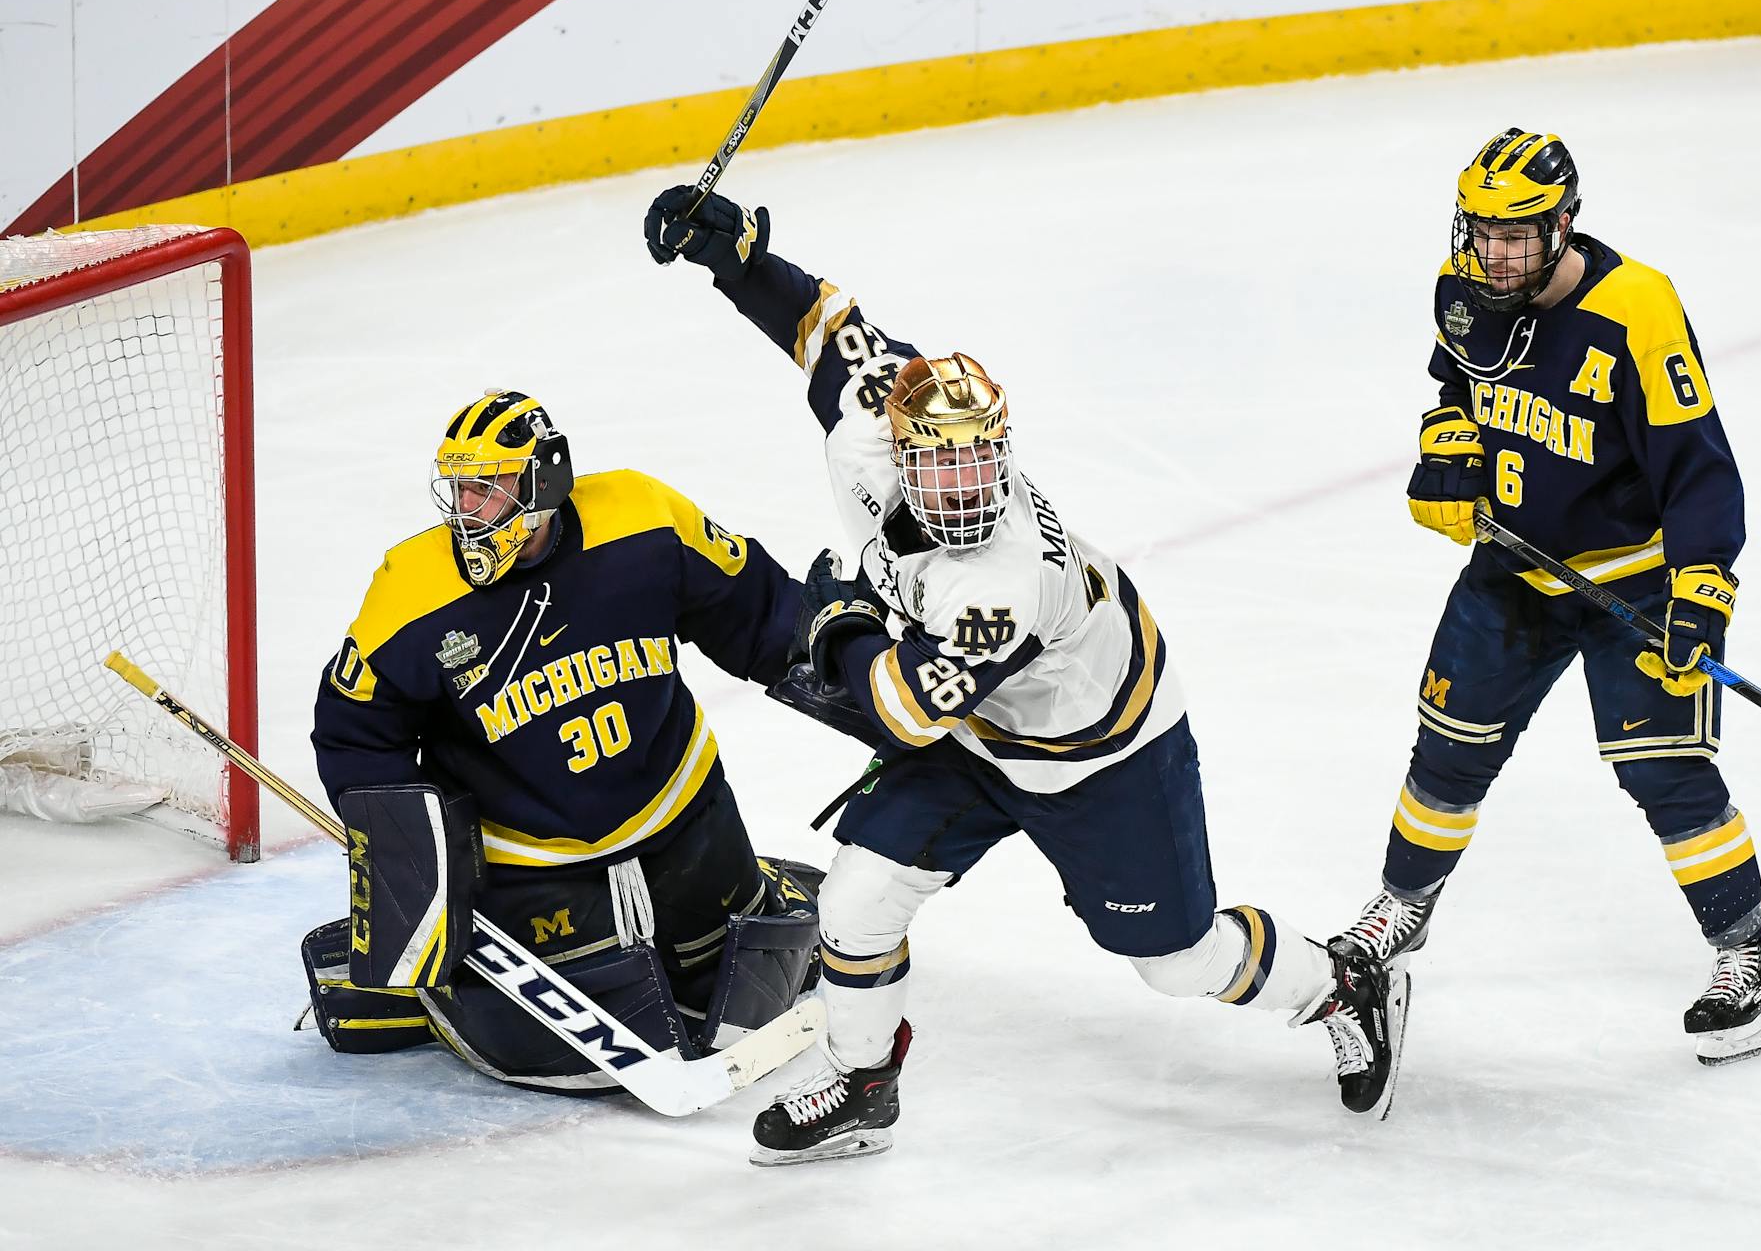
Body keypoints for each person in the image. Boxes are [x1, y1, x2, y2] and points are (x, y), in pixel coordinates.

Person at [645, 185, 1410, 1165]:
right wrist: (737, 259)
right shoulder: (867, 432)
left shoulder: (1005, 583)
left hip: (1105, 751)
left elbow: (900, 708)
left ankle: (1342, 983)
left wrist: (837, 622)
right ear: (902, 446)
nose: (968, 488)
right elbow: (826, 328)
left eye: (982, 464)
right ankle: (866, 1085)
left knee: (1176, 964)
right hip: (979, 737)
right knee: (855, 902)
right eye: (945, 466)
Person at [1329, 127, 1761, 1066]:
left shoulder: (1637, 307)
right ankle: (1404, 910)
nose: (1494, 253)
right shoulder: (1460, 291)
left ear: (1564, 224)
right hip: (1513, 573)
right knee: (1447, 755)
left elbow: (1698, 464)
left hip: (1634, 580)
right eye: (1481, 231)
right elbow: (1454, 391)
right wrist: (1447, 463)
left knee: (1663, 769)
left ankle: (1751, 957)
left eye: (1519, 234)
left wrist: (1701, 593)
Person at [301, 390, 825, 1093]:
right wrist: (408, 854)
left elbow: (754, 609)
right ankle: (432, 985)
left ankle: (754, 890)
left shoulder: (642, 518)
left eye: (490, 488)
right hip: (531, 859)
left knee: (742, 995)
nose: (469, 511)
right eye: (460, 490)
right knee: (578, 1043)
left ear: (544, 482)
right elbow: (353, 732)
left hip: (684, 817)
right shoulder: (411, 592)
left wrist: (847, 663)